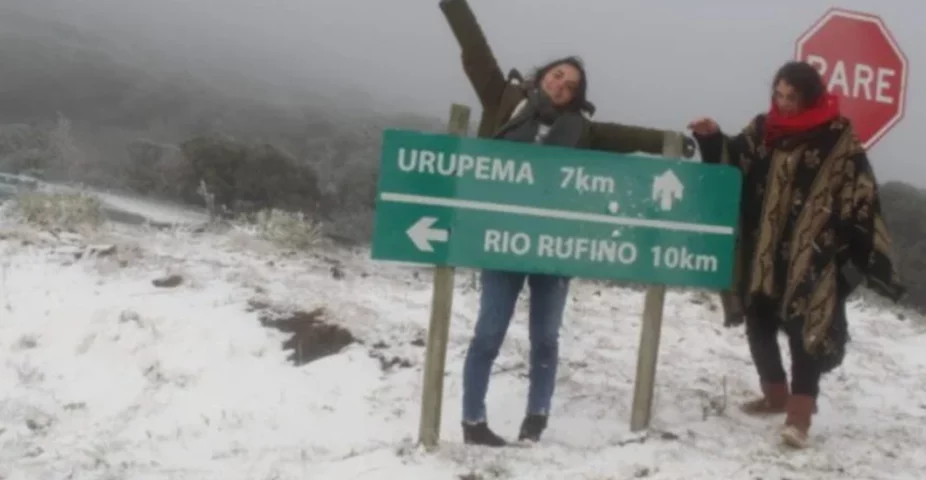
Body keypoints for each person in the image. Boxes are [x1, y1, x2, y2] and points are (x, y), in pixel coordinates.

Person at [439, 0, 695, 446]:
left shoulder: (582, 130)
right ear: (542, 76)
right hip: (499, 239)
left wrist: (671, 142)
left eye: (570, 85)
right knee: (488, 332)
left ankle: (536, 418)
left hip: (554, 247)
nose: (560, 85)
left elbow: (622, 136)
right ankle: (473, 422)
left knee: (545, 337)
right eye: (557, 75)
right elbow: (475, 51)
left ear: (575, 96)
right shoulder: (504, 99)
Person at [688, 61, 904, 449]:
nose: (784, 104)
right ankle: (775, 395)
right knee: (759, 320)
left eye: (792, 97)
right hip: (763, 249)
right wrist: (711, 137)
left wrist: (857, 257)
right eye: (779, 95)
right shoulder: (763, 130)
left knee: (806, 330)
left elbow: (860, 194)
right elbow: (733, 159)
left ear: (810, 96)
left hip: (813, 254)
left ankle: (800, 417)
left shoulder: (838, 139)